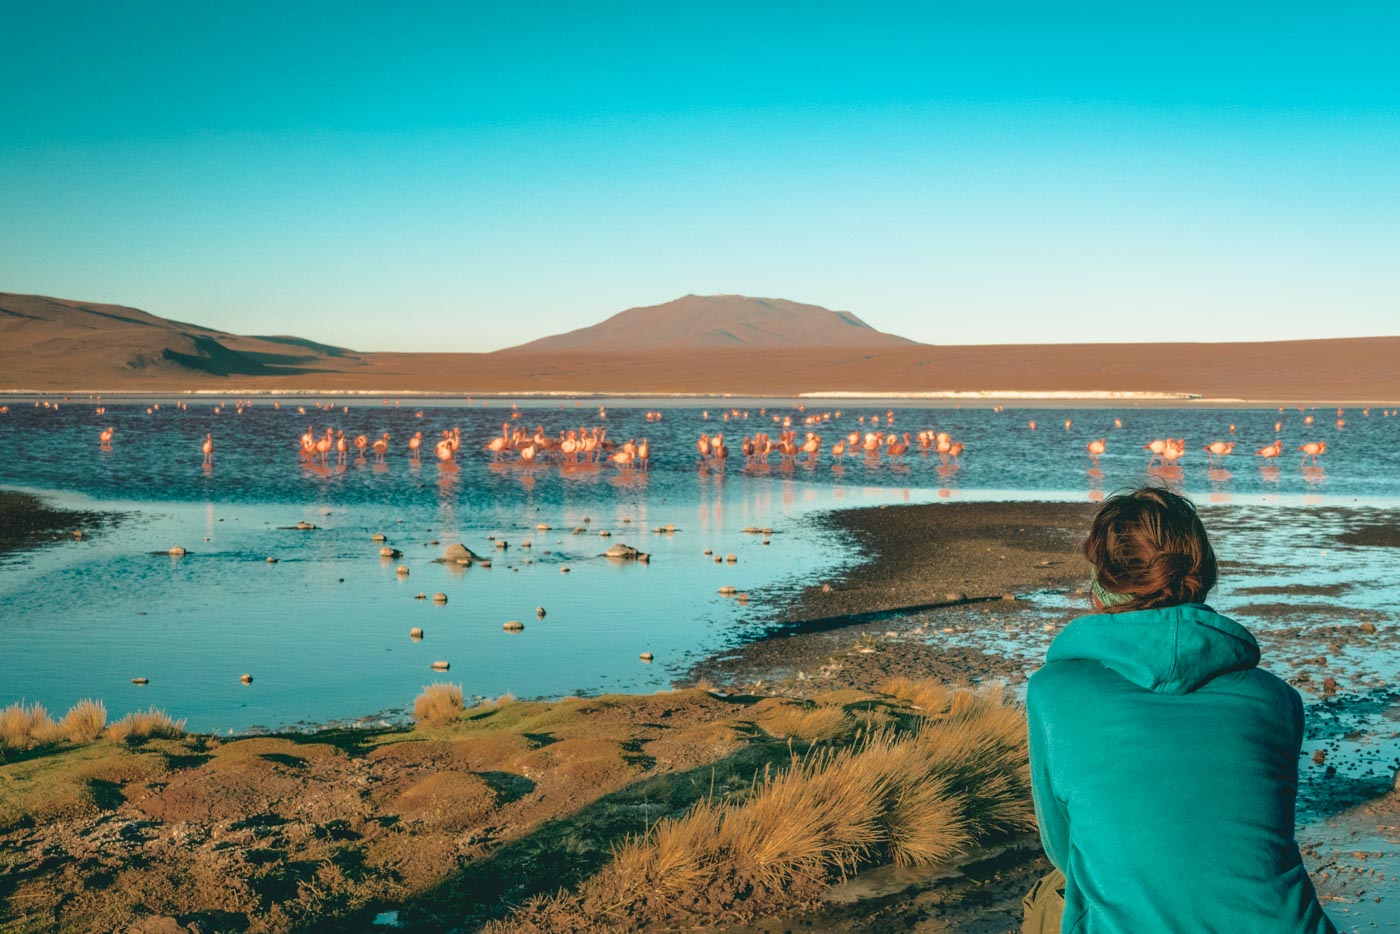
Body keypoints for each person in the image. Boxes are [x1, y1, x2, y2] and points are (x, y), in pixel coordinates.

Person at [1023, 486, 1335, 933]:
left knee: (1053, 897)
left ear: (1101, 580)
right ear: (1202, 571)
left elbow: (1063, 846)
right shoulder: (1278, 700)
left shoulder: (1054, 692)